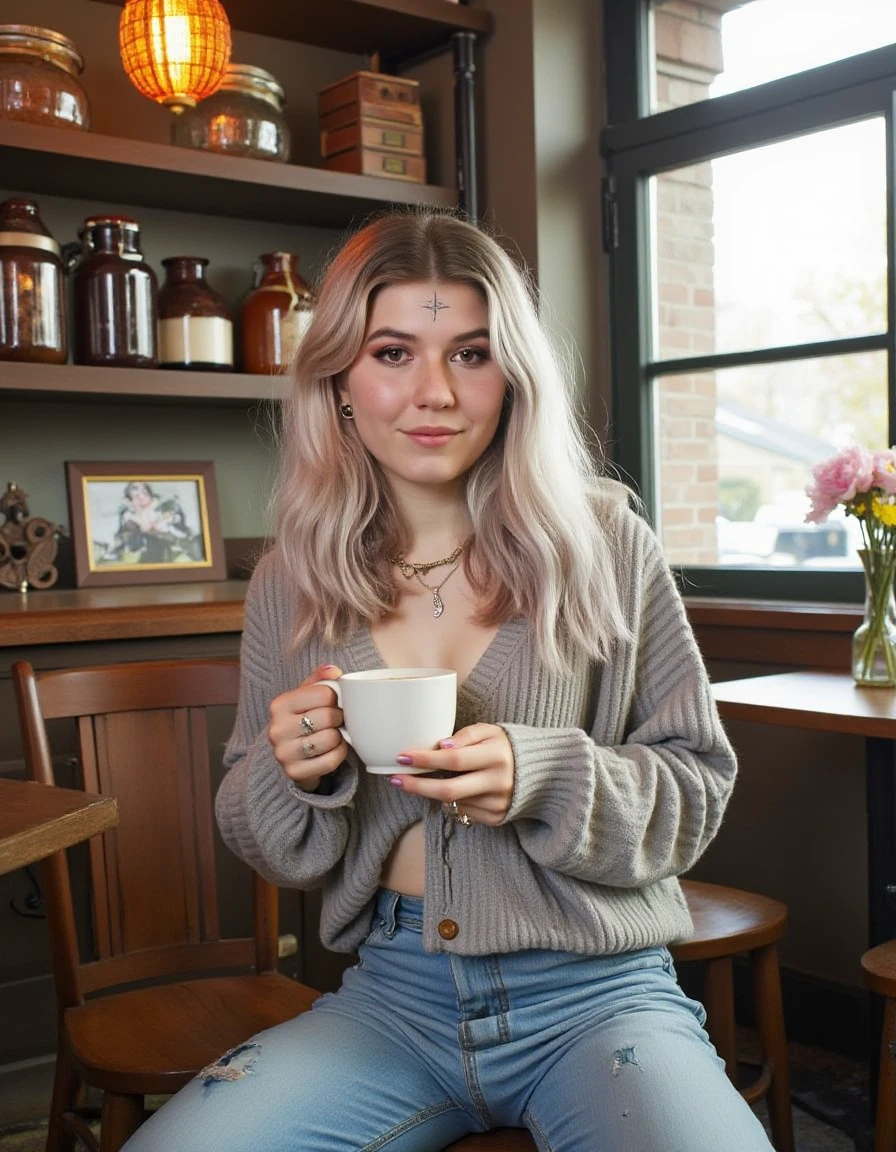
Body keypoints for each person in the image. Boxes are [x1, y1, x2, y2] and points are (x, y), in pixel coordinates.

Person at [121, 210, 773, 1151]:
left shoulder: (608, 548)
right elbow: (258, 834)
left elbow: (697, 788)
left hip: (599, 996)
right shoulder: (290, 582)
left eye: (470, 354)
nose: (434, 393)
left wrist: (545, 774)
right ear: (340, 380)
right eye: (393, 352)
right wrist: (294, 771)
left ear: (512, 379)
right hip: (391, 999)